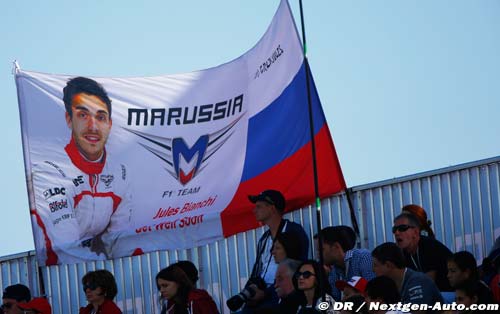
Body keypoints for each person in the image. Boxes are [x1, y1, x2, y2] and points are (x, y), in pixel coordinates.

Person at [31, 76, 137, 265]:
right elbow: (67, 247)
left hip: (101, 282)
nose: (93, 127)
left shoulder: (120, 173)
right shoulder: (49, 173)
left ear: (110, 124)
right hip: (58, 281)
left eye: (100, 117)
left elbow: (122, 240)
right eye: (83, 115)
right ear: (69, 119)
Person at [226, 190, 309, 312]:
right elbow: (258, 271)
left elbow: (298, 269)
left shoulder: (293, 231)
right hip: (261, 298)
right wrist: (247, 292)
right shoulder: (264, 239)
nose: (254, 210)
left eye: (259, 206)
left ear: (272, 208)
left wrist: (265, 294)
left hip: (280, 298)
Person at [371, 242, 443, 314]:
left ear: (388, 265)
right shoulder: (390, 285)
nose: (373, 270)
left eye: (375, 265)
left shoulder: (418, 281)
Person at [393, 212, 452, 291]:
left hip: (451, 294)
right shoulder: (403, 252)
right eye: (394, 229)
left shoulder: (429, 246)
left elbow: (428, 284)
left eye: (402, 228)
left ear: (416, 232)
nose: (396, 233)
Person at [317, 226, 375, 301]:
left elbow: (373, 293)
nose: (318, 255)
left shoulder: (362, 257)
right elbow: (335, 300)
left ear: (336, 247)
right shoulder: (334, 269)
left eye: (321, 250)